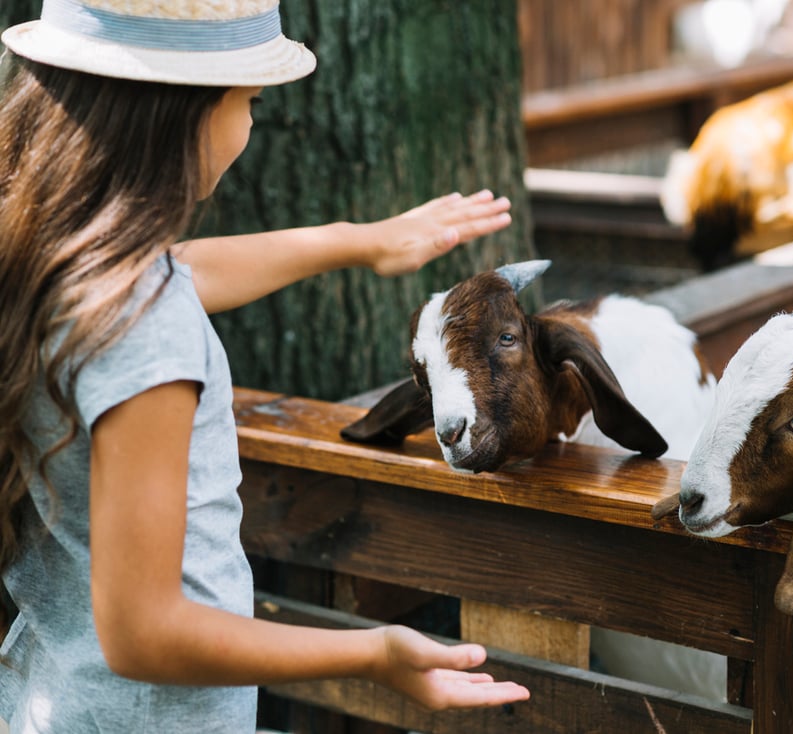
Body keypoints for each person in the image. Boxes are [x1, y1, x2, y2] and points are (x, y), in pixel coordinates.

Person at [0, 1, 530, 731]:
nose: (249, 125)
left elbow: (183, 271)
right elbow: (143, 631)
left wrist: (361, 241)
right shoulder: (145, 327)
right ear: (183, 113)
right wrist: (371, 655)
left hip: (48, 697)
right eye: (248, 100)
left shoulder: (47, 258)